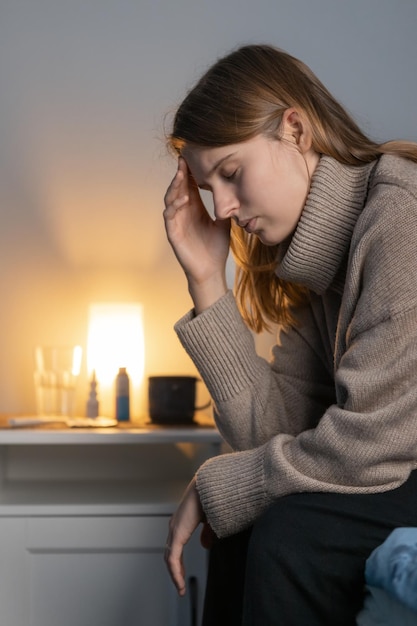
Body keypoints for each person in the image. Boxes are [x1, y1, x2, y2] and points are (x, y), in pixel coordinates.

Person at [162, 43, 417, 625]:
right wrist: (207, 281)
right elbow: (273, 434)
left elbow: (370, 448)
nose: (222, 208)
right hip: (397, 466)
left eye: (230, 174)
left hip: (400, 462)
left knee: (285, 536)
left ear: (295, 130)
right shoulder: (320, 265)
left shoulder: (402, 218)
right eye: (209, 189)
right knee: (245, 526)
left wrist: (217, 484)